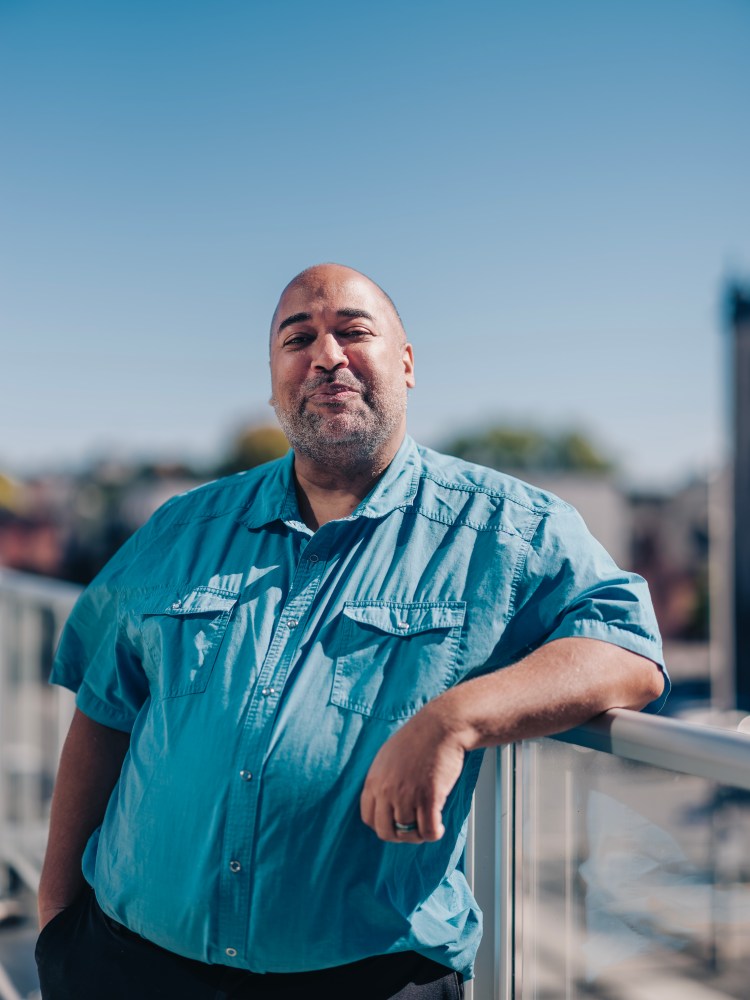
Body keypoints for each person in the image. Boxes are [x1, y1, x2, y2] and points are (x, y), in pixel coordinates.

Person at [36, 263, 668, 999]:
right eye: (297, 338)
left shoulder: (507, 531)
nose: (326, 355)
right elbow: (104, 709)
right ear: (274, 382)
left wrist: (453, 719)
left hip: (366, 981)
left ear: (405, 362)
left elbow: (627, 648)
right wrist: (57, 926)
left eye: (353, 331)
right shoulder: (181, 529)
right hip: (128, 964)